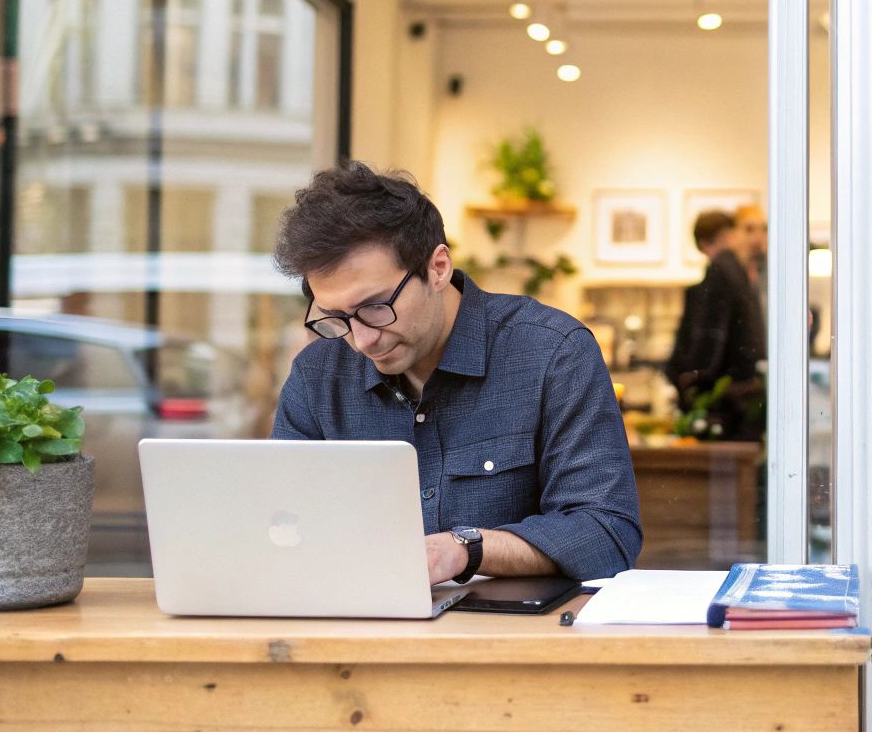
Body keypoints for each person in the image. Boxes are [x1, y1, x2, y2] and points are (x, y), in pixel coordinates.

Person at [269, 161, 641, 584]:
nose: (362, 341)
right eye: (336, 316)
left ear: (438, 268)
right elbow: (278, 528)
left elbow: (607, 535)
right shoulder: (318, 375)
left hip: (511, 642)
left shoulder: (553, 353)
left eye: (375, 307)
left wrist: (464, 550)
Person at [665, 210, 766, 440]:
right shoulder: (738, 272)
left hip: (728, 403)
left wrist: (691, 379)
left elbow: (711, 339)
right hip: (746, 395)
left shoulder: (721, 270)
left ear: (704, 242)